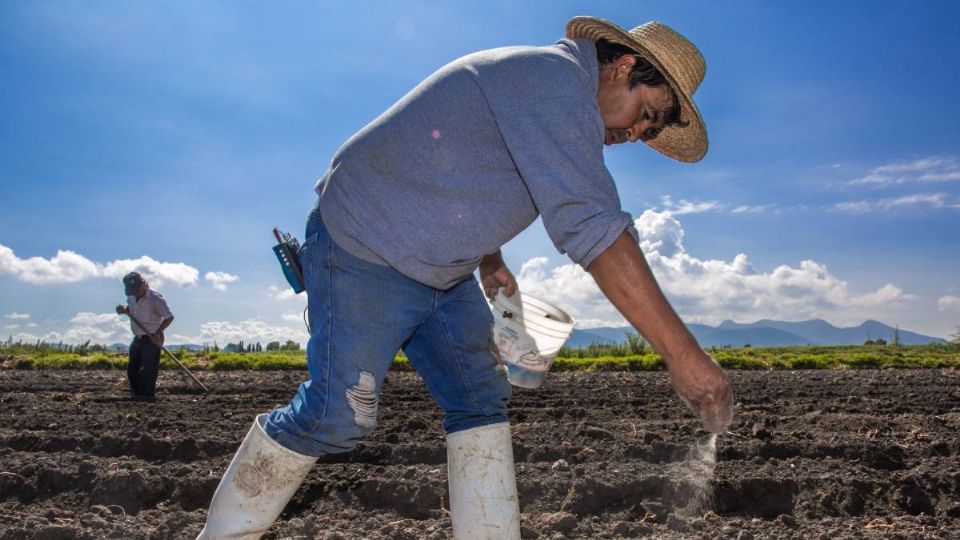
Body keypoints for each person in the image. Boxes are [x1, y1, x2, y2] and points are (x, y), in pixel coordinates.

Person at [198, 16, 734, 539]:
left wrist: (489, 257)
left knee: (479, 400)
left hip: (443, 277)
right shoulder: (553, 83)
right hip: (364, 248)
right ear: (624, 66)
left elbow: (461, 165)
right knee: (335, 418)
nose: (639, 133)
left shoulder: (551, 98)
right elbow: (592, 227)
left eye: (654, 130)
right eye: (648, 113)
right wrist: (683, 355)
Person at [115, 271, 174, 400]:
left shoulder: (155, 298)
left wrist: (158, 333)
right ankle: (136, 397)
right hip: (137, 337)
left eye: (135, 290)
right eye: (131, 291)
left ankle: (147, 399)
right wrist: (124, 310)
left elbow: (169, 317)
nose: (134, 293)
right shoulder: (131, 297)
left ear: (142, 284)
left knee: (148, 370)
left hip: (151, 338)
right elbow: (132, 310)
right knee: (132, 370)